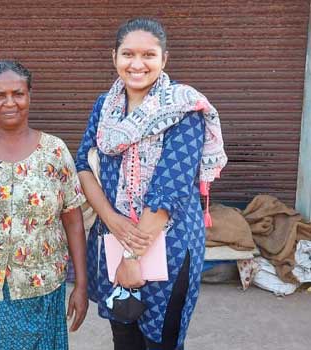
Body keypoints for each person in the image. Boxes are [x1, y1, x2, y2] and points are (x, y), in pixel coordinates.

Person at [76, 18, 227, 350]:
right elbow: (83, 165)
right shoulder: (105, 107)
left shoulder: (184, 108)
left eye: (149, 55)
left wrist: (131, 257)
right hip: (113, 239)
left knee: (161, 339)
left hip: (169, 243)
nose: (137, 64)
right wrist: (113, 222)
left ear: (164, 59)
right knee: (124, 333)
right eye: (128, 54)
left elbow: (169, 190)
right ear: (114, 56)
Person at [0, 60, 88, 349]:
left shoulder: (55, 151)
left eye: (18, 93)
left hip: (43, 289)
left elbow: (73, 221)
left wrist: (82, 286)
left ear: (29, 96)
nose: (10, 102)